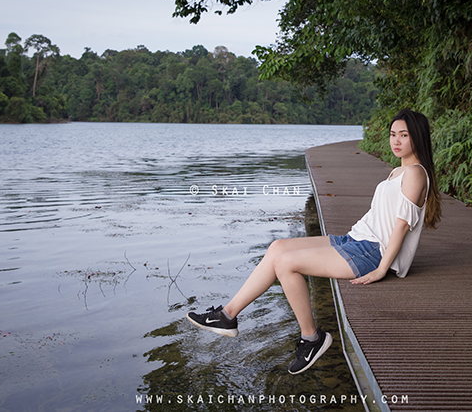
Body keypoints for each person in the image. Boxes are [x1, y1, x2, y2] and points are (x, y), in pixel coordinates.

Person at [187, 109, 442, 375]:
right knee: (278, 247)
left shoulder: (415, 173)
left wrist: (381, 269)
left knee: (286, 264)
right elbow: (382, 217)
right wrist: (343, 241)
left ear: (418, 138)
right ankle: (227, 316)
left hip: (372, 252)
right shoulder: (396, 173)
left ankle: (311, 338)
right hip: (356, 240)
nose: (396, 141)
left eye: (404, 135)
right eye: (392, 134)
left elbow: (401, 225)